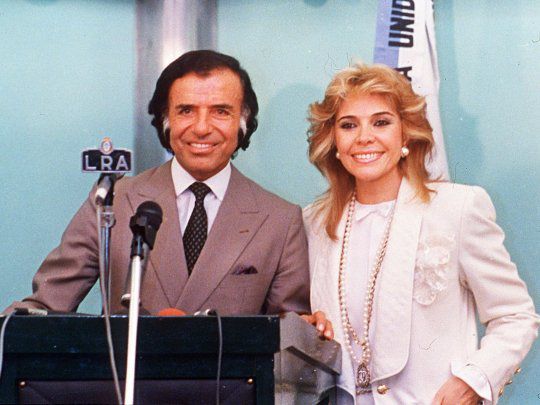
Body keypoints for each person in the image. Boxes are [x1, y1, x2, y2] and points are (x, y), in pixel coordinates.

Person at [5, 50, 310, 316]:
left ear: (242, 122)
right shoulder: (113, 200)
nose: (201, 128)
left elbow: (291, 340)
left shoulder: (281, 221)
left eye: (220, 111)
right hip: (128, 369)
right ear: (166, 120)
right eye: (186, 111)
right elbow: (42, 308)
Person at [303, 63, 539, 404]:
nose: (364, 137)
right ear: (334, 141)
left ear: (406, 134)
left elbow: (516, 315)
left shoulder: (458, 208)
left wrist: (473, 381)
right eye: (349, 125)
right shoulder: (312, 223)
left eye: (381, 122)